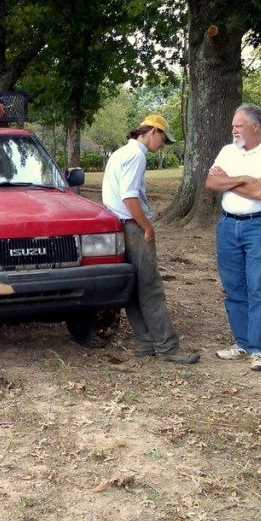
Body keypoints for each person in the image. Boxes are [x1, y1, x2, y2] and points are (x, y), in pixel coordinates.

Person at [103, 114, 200, 365]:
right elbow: (129, 197)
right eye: (164, 139)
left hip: (116, 226)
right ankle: (168, 348)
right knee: (151, 288)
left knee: (133, 288)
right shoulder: (136, 156)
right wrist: (147, 227)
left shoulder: (119, 153)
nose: (163, 146)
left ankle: (144, 343)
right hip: (133, 226)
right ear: (154, 131)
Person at [204, 104, 261, 372]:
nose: (234, 130)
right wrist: (240, 179)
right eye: (233, 126)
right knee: (234, 288)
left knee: (258, 289)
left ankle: (259, 349)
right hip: (228, 226)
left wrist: (228, 180)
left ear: (255, 126)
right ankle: (242, 343)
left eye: (238, 126)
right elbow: (211, 183)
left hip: (258, 227)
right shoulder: (228, 151)